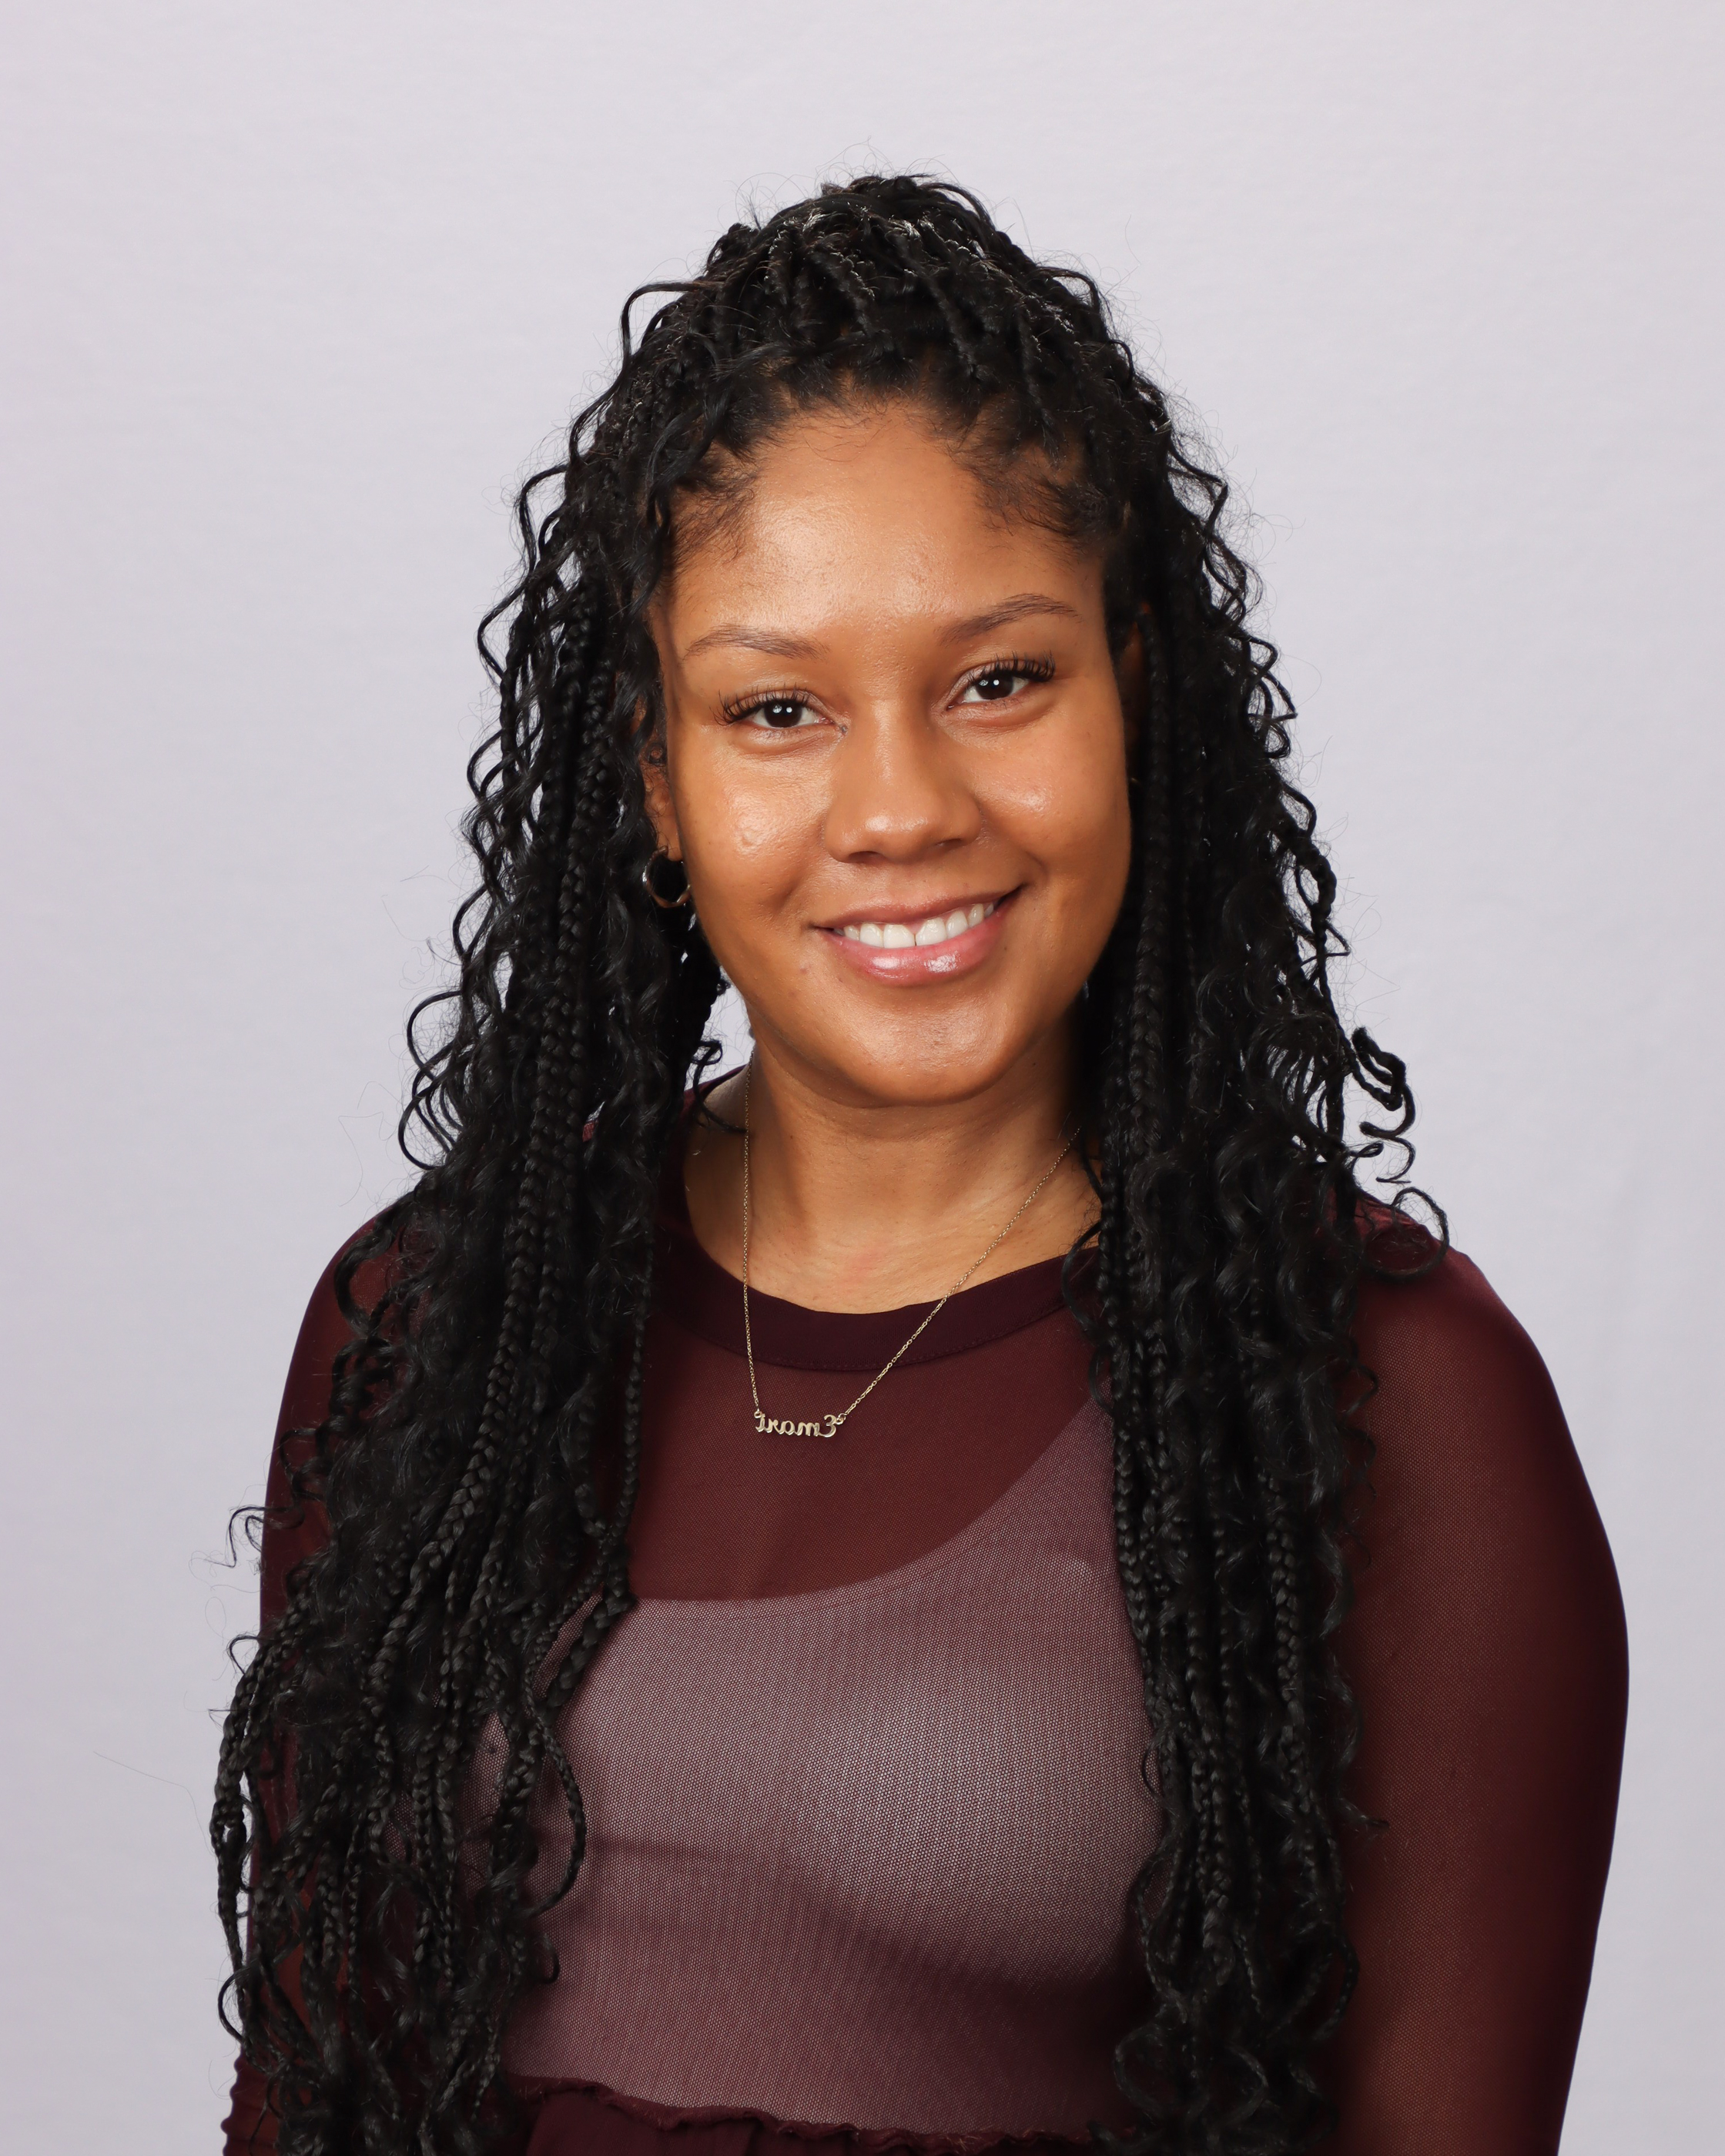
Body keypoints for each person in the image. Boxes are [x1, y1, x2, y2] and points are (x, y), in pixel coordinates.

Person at [214, 176, 1626, 2156]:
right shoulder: (435, 1322)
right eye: (777, 708)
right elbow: (305, 2095)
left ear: (1135, 686)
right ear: (656, 774)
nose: (898, 807)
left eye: (996, 680)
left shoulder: (1384, 1397)